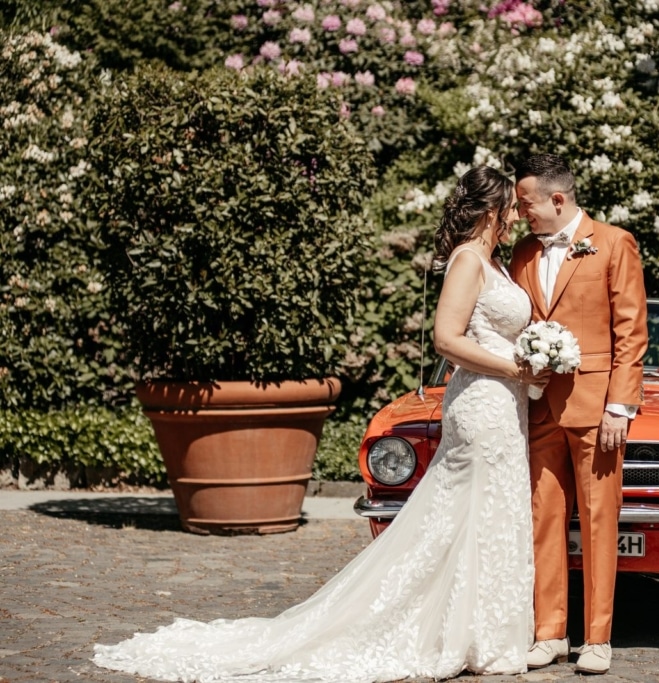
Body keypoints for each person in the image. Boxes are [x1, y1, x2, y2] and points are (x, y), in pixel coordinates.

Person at [93, 166, 547, 683]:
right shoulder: (467, 261)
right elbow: (446, 339)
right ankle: (453, 634)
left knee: (488, 517)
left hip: (505, 408)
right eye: (510, 208)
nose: (516, 217)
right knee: (468, 516)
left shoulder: (495, 263)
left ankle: (480, 633)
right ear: (490, 210)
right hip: (482, 406)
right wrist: (516, 368)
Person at [509, 154, 648, 675]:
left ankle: (597, 638)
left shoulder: (613, 243)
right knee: (542, 520)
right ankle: (550, 634)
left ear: (557, 199)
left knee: (598, 522)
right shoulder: (523, 252)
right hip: (538, 407)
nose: (521, 213)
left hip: (597, 411)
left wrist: (619, 407)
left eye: (526, 204)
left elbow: (630, 331)